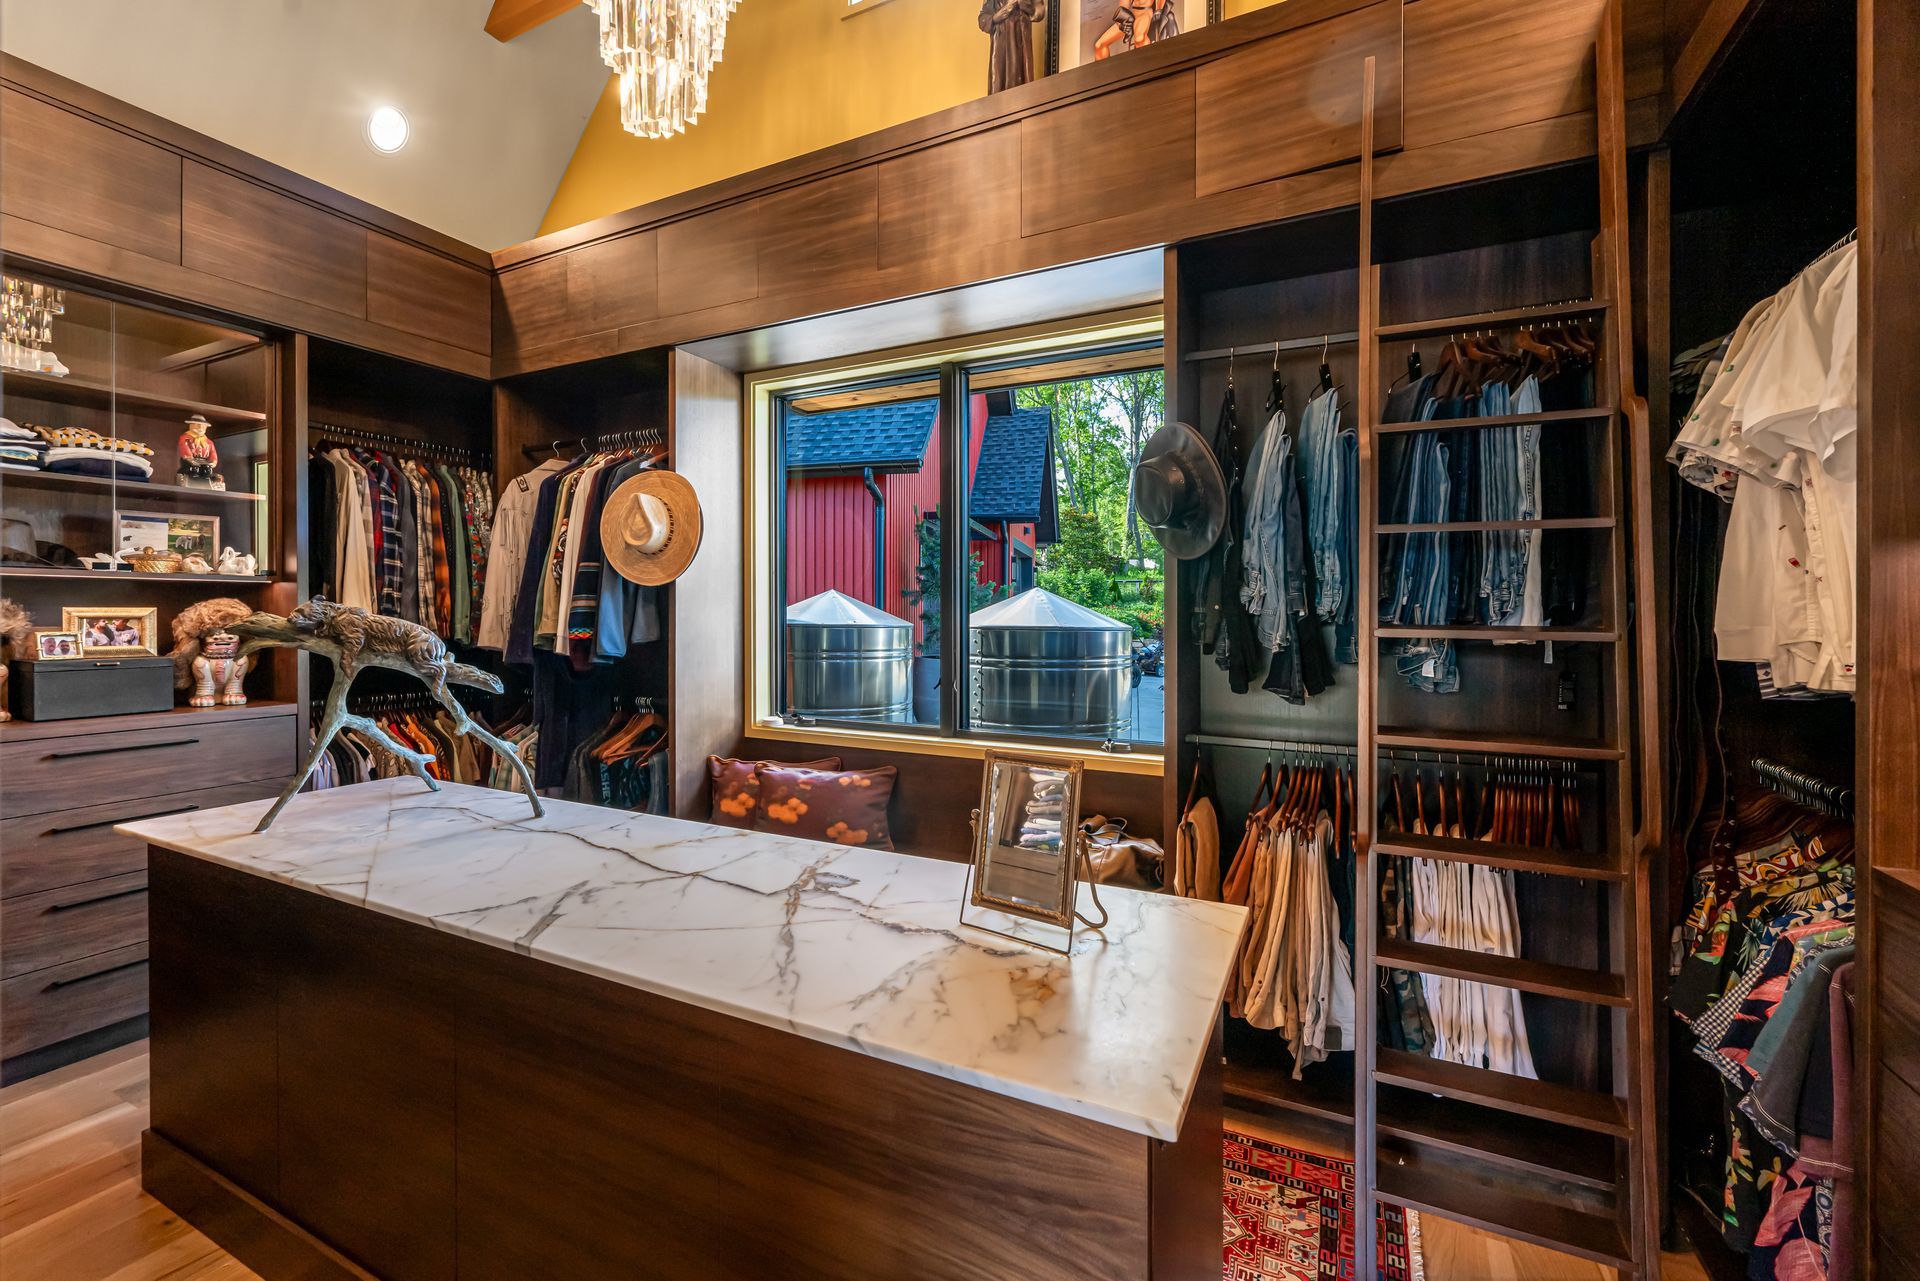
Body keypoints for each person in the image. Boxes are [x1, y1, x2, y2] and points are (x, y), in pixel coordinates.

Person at [979, 0, 1046, 93]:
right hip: (1000, 40)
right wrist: (996, 17)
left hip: (1020, 38)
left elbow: (1040, 11)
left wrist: (1023, 4)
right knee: (998, 78)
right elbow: (983, 18)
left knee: (1018, 75)